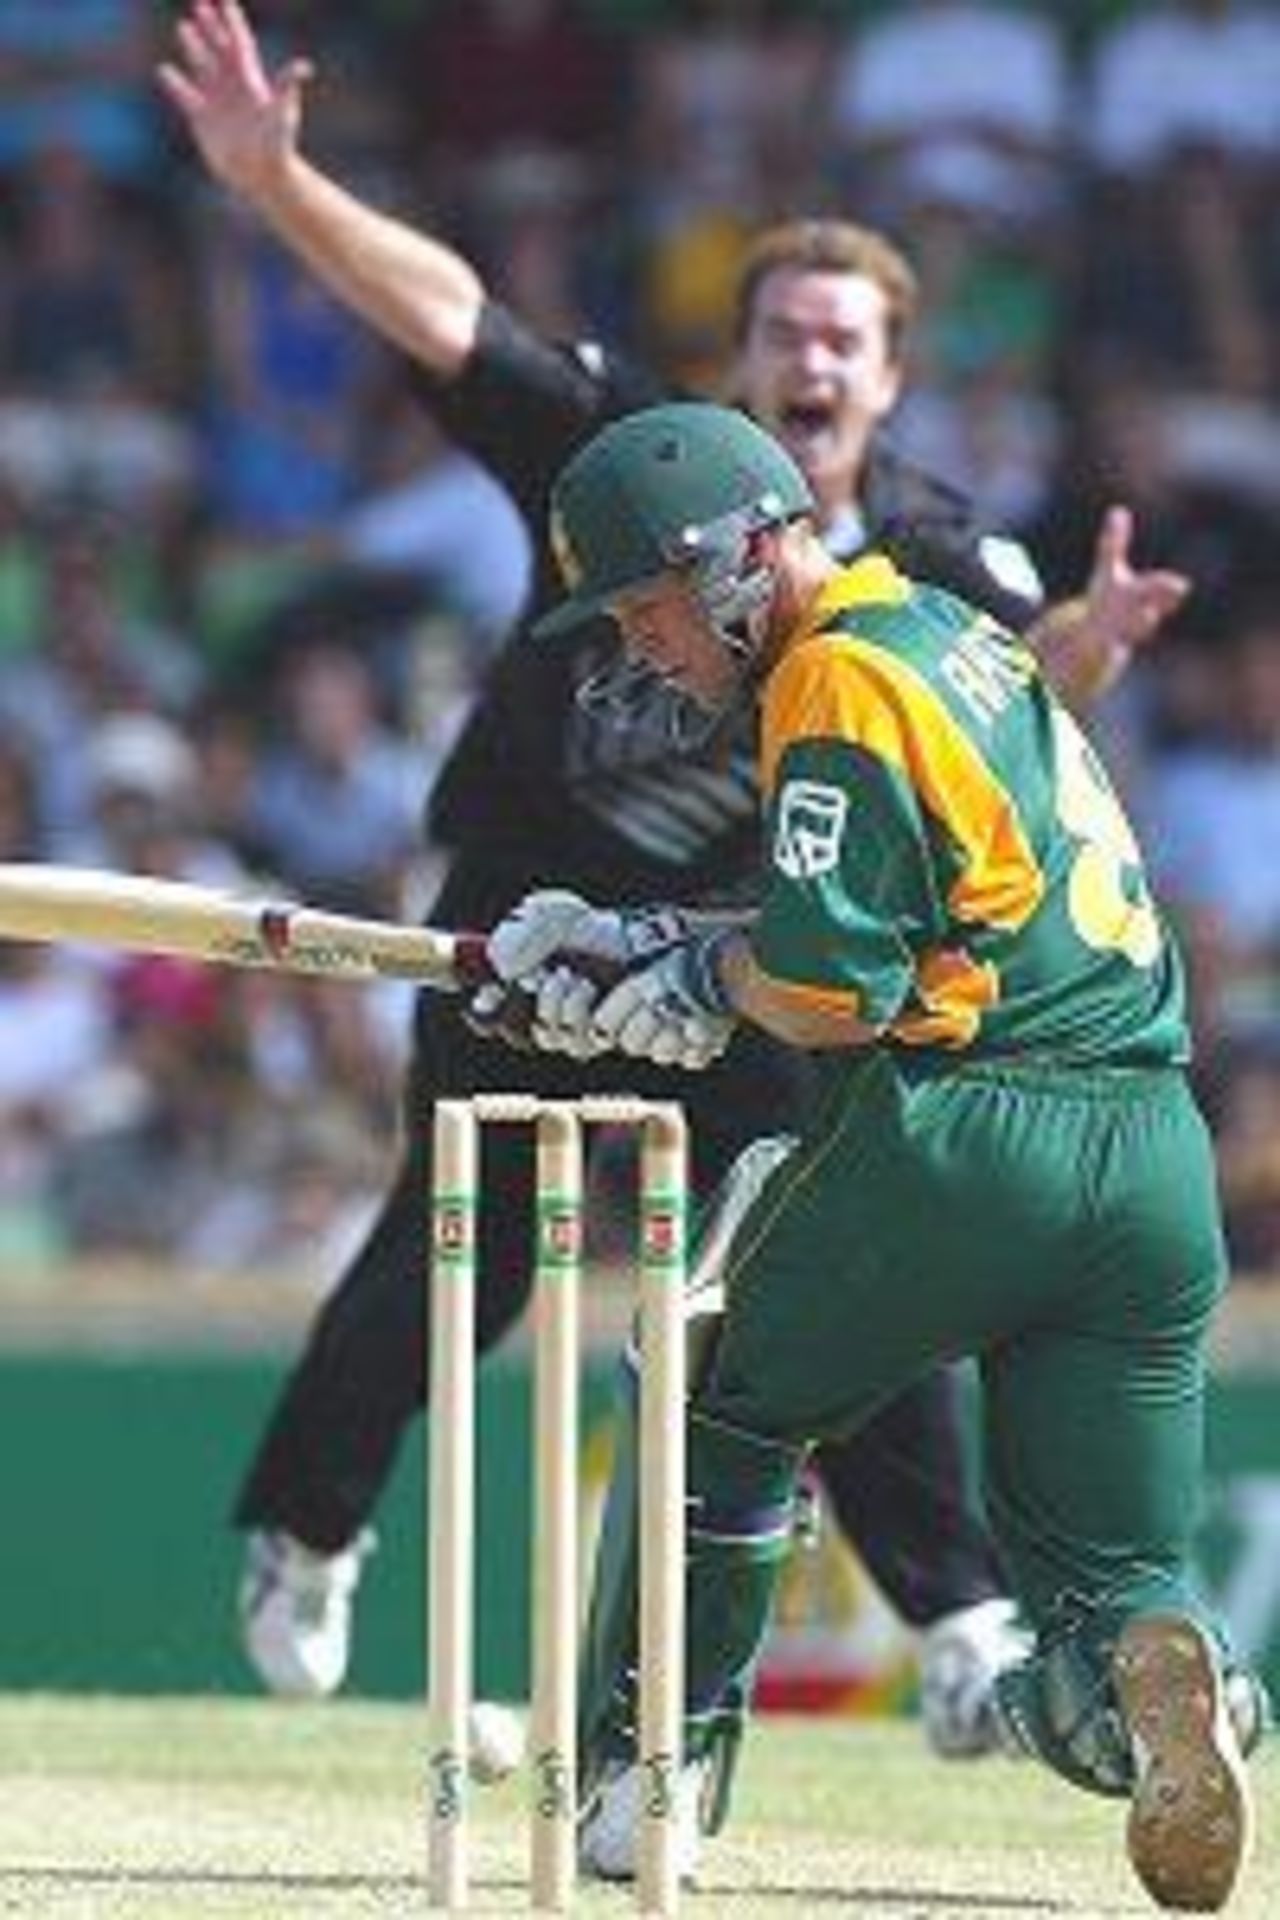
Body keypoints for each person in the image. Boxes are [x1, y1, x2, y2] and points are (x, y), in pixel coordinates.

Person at [159, 0, 1190, 1749]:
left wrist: (1075, 655)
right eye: (785, 329)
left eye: (845, 337)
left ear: (888, 372)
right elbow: (450, 318)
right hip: (541, 915)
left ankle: (957, 1625)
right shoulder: (640, 468)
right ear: (748, 357)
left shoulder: (941, 556)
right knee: (458, 1239)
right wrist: (275, 183)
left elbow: (1007, 758)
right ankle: (310, 1527)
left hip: (763, 950)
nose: (812, 360)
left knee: (832, 1235)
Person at [483, 399, 1265, 1911]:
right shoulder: (943, 633)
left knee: (711, 1386)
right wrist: (659, 939)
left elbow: (839, 994)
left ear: (737, 562)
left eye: (647, 607)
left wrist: (694, 982)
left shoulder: (831, 680)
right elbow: (928, 915)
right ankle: (1180, 1694)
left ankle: (652, 1780)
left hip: (973, 1135)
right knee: (1105, 1593)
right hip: (1154, 1156)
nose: (639, 648)